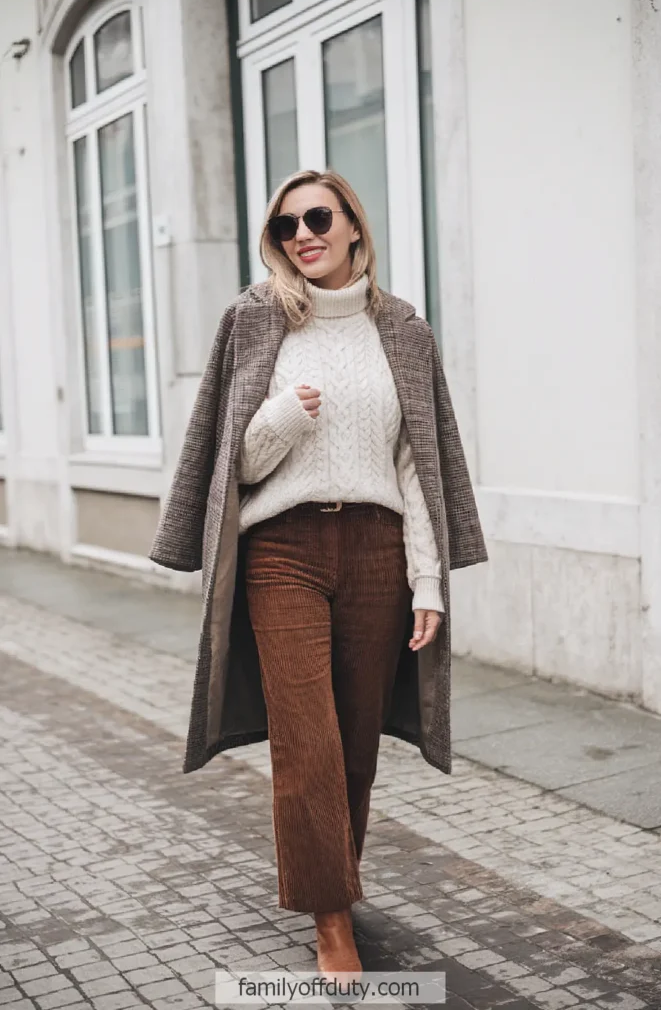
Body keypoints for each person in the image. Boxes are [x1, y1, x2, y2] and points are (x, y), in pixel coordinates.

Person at [149, 169, 487, 978]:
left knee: (357, 742)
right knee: (307, 743)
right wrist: (276, 421)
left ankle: (337, 879)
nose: (302, 234)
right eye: (285, 226)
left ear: (351, 227)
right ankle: (330, 919)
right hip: (282, 554)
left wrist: (428, 581)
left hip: (377, 549)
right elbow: (234, 465)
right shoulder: (256, 319)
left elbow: (419, 464)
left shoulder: (402, 328)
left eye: (316, 218)